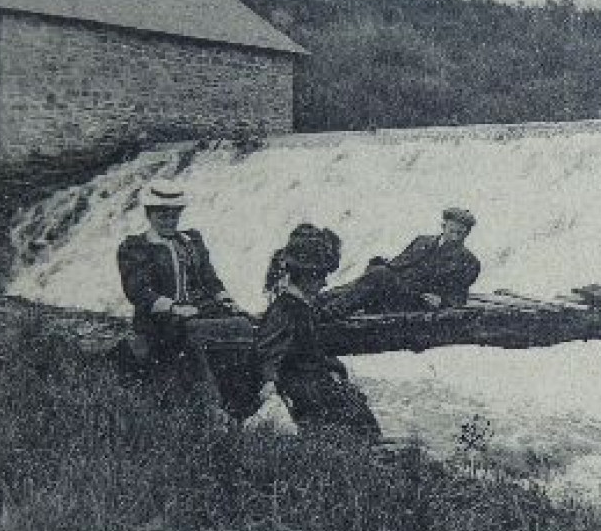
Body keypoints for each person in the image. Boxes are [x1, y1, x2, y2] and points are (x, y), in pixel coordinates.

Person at [250, 229, 382, 439]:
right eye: (320, 277)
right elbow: (268, 349)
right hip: (303, 387)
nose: (324, 283)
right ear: (306, 277)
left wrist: (334, 370)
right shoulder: (285, 309)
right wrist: (269, 383)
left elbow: (315, 349)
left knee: (359, 418)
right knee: (348, 426)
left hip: (316, 381)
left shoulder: (304, 306)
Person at [116, 184, 244, 363]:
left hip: (200, 308)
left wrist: (226, 300)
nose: (169, 222)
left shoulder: (192, 240)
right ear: (149, 215)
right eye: (162, 217)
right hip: (160, 318)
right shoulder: (136, 247)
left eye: (174, 216)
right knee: (197, 335)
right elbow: (138, 292)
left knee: (245, 323)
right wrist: (174, 308)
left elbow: (210, 279)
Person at [322, 207, 481, 317]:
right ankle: (318, 303)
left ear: (467, 234)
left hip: (417, 300)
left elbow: (459, 295)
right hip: (395, 288)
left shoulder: (468, 262)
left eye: (461, 233)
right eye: (452, 231)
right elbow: (399, 263)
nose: (455, 237)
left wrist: (442, 301)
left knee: (378, 276)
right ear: (443, 226)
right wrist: (383, 263)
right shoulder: (422, 241)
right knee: (374, 272)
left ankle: (330, 313)